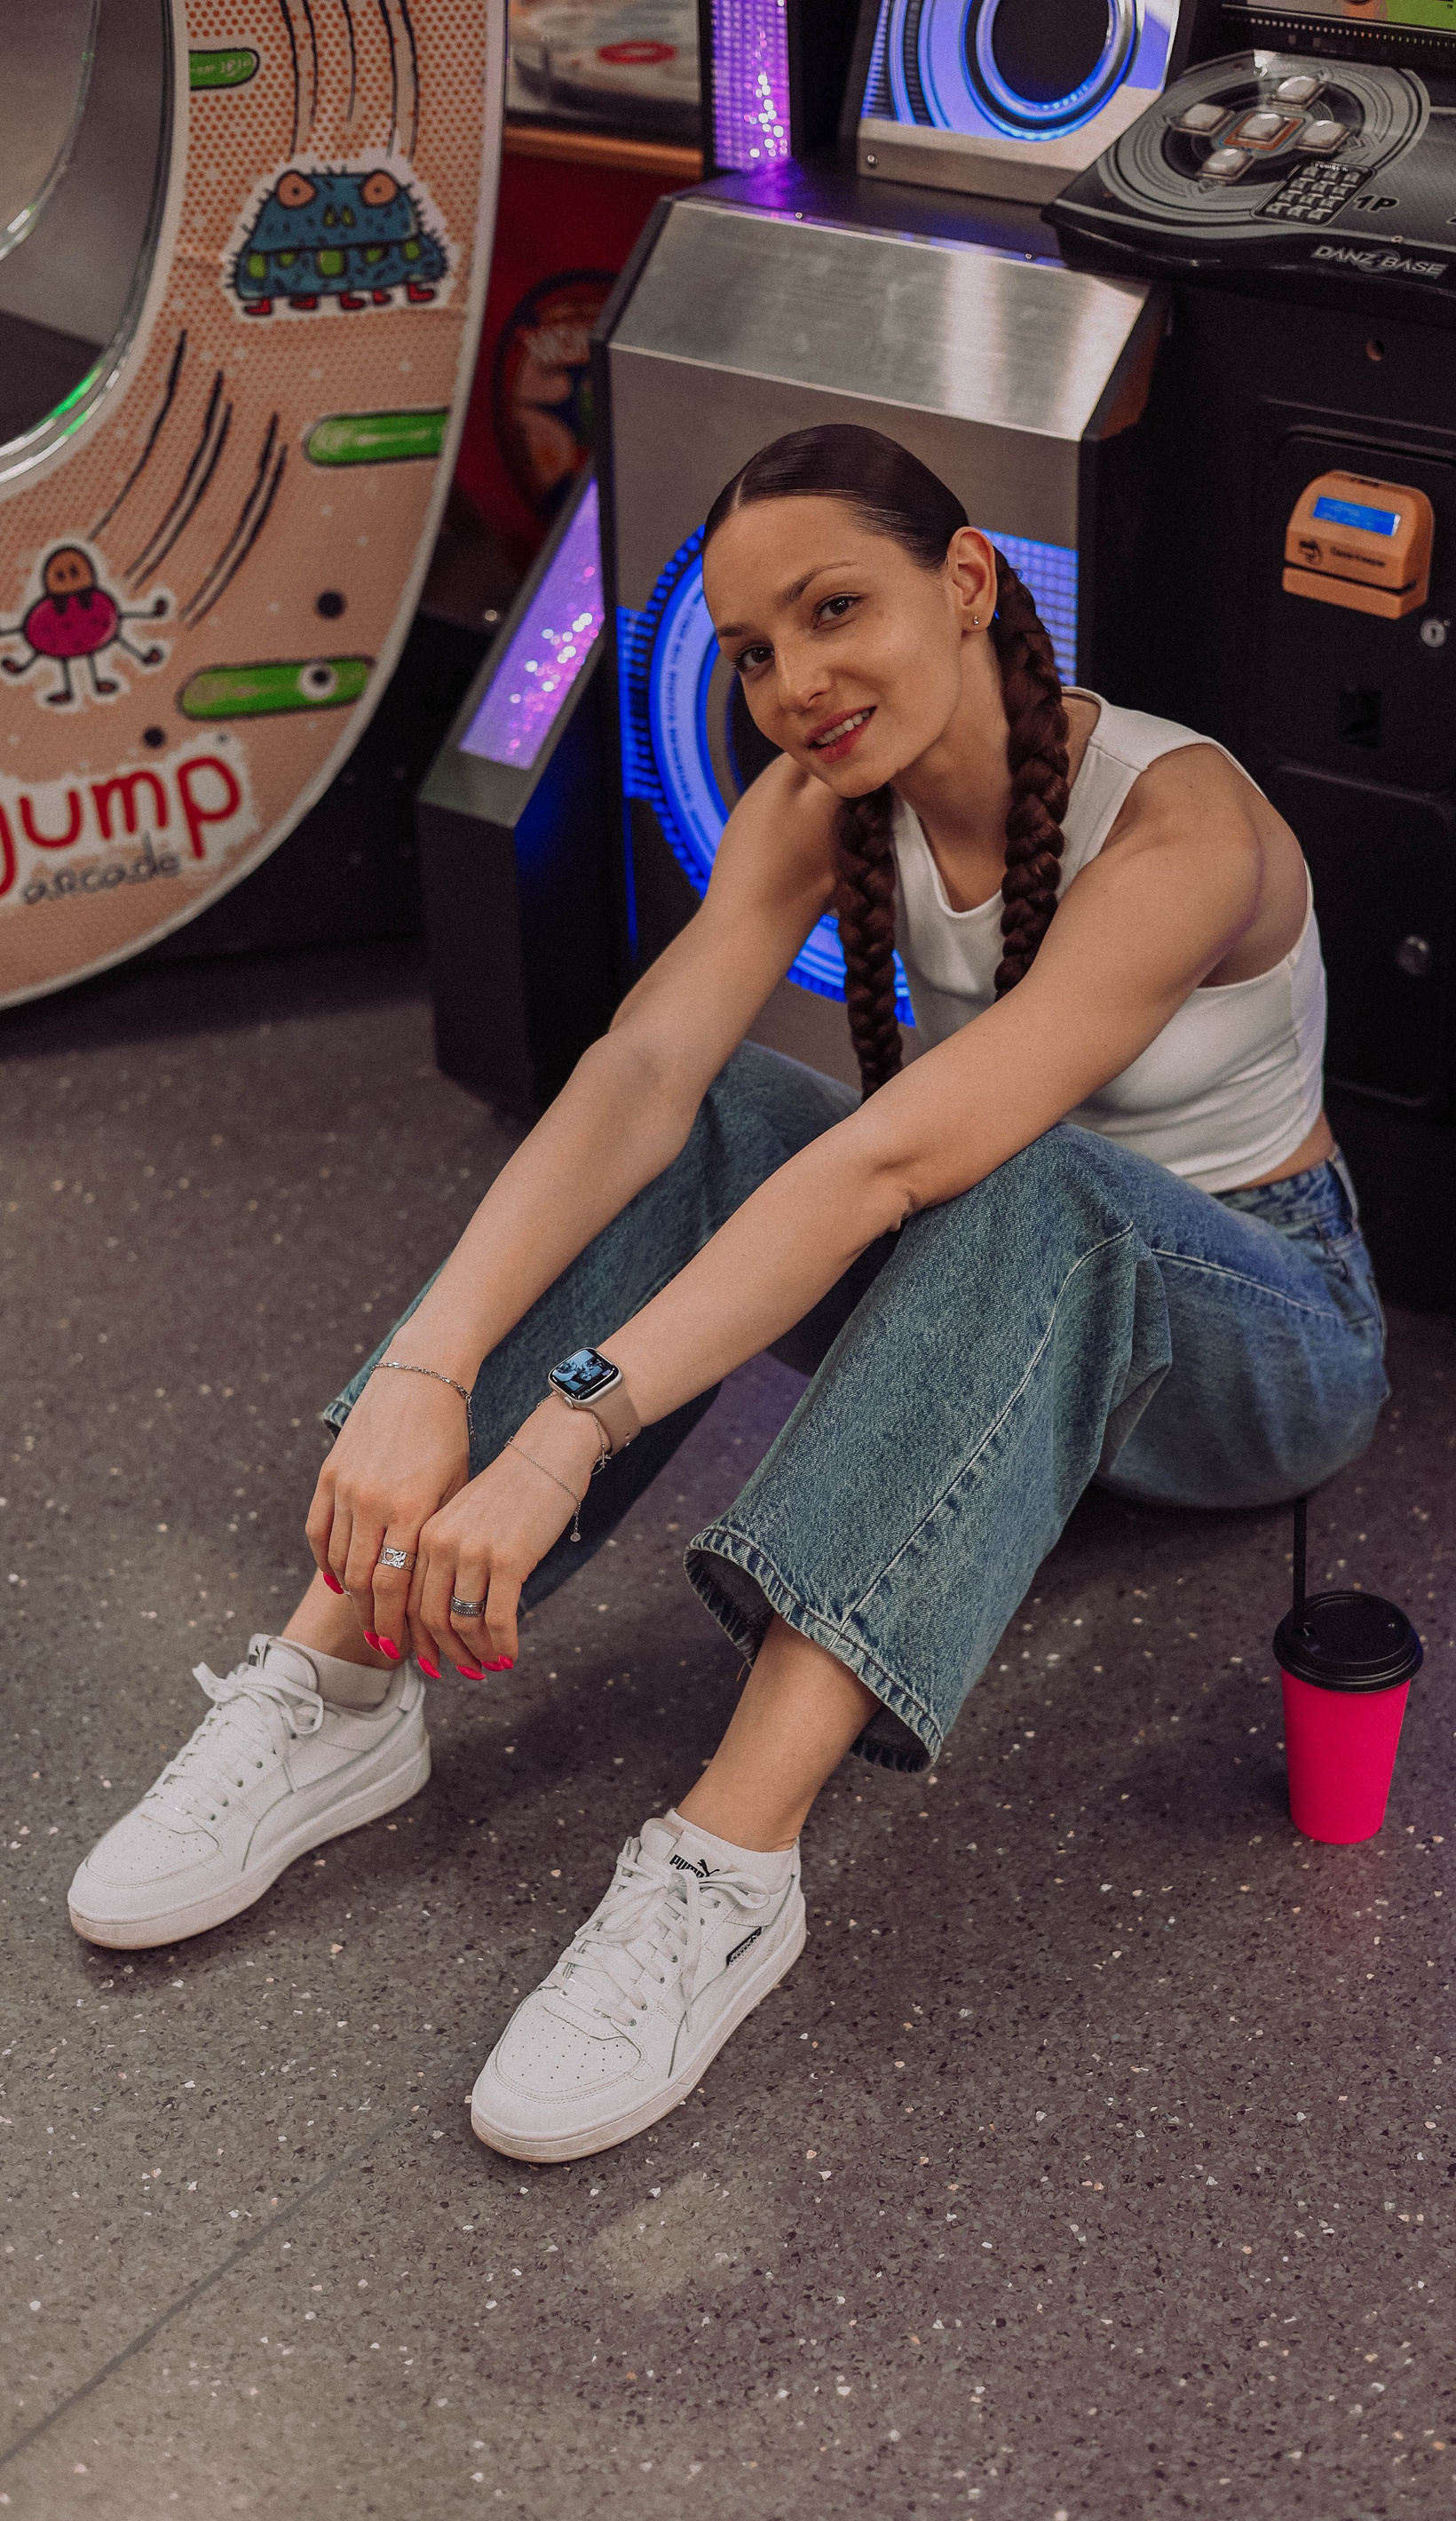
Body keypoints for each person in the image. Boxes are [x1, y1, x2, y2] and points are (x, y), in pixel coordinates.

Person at [67, 424, 1387, 2161]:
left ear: (966, 579)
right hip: (994, 1294)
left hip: (1258, 1335)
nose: (794, 685)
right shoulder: (819, 806)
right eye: (755, 651)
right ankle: (340, 1677)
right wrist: (429, 1372)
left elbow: (897, 1165)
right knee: (729, 1103)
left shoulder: (1180, 823)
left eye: (836, 610)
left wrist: (566, 1431)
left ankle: (728, 1865)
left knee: (1030, 1176)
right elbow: (640, 1075)